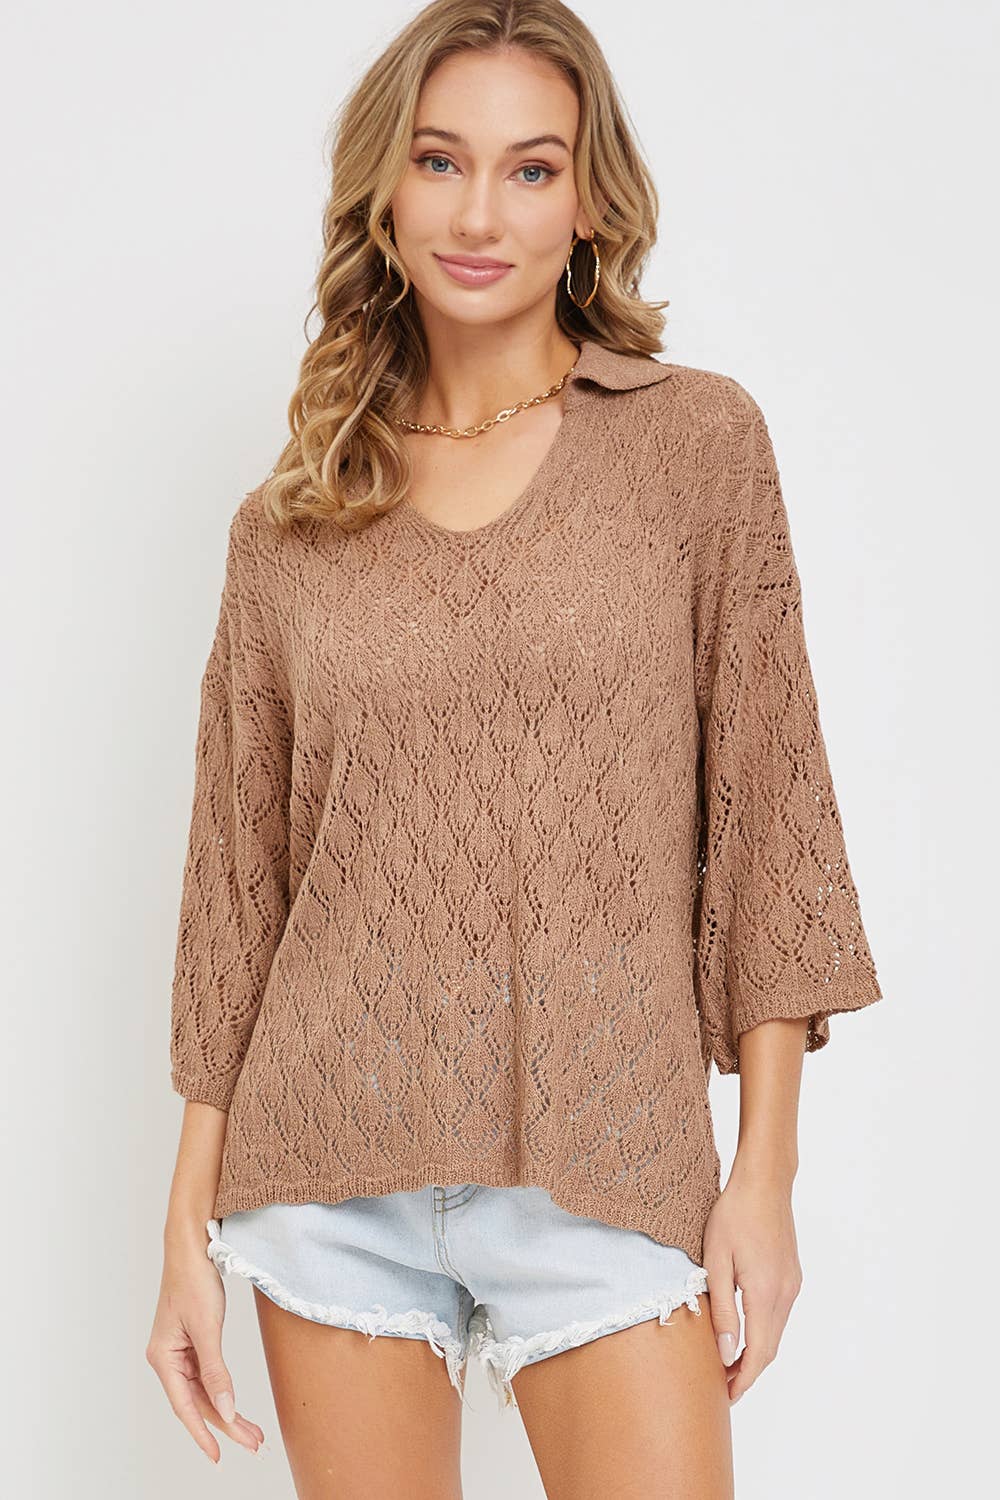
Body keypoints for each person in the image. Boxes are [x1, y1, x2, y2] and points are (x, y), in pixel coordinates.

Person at [145, 3, 883, 1496]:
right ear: (386, 188)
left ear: (591, 203)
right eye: (441, 161)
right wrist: (185, 1234)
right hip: (328, 1164)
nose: (479, 214)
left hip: (610, 1155)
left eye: (531, 169)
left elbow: (770, 819)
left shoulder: (691, 448)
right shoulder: (292, 520)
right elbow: (237, 896)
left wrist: (766, 1174)